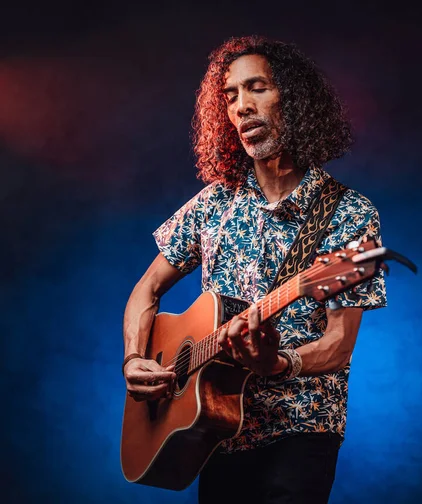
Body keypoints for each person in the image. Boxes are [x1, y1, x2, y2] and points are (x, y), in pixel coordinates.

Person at [122, 35, 387, 503]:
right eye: (230, 95)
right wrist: (133, 358)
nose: (241, 107)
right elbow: (146, 290)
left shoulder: (350, 213)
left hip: (300, 430)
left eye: (256, 88)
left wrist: (281, 363)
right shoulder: (214, 202)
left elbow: (340, 344)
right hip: (217, 431)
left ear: (294, 98)